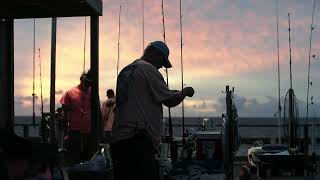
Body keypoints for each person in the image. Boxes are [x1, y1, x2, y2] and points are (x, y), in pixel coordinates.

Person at [110, 41, 195, 180]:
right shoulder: (148, 69)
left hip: (119, 142)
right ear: (155, 53)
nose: (161, 66)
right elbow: (170, 100)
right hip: (137, 144)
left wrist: (172, 92)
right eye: (162, 60)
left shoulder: (127, 70)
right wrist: (186, 91)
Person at [60, 70, 94, 164]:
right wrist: (66, 132)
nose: (88, 85)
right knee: (75, 156)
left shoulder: (93, 93)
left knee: (89, 157)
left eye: (90, 83)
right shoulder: (69, 93)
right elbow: (64, 114)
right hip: (74, 130)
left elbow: (97, 112)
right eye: (86, 82)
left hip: (90, 130)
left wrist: (100, 131)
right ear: (81, 80)